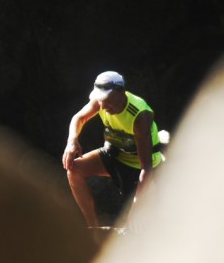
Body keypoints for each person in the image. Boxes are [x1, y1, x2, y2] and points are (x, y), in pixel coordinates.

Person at [62, 71, 164, 227]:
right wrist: (72, 141)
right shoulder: (99, 102)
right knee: (74, 169)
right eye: (100, 100)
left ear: (121, 92)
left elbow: (146, 167)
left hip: (138, 165)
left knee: (137, 221)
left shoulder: (139, 115)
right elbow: (78, 118)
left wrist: (137, 203)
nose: (103, 106)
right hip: (115, 154)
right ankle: (92, 227)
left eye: (106, 100)